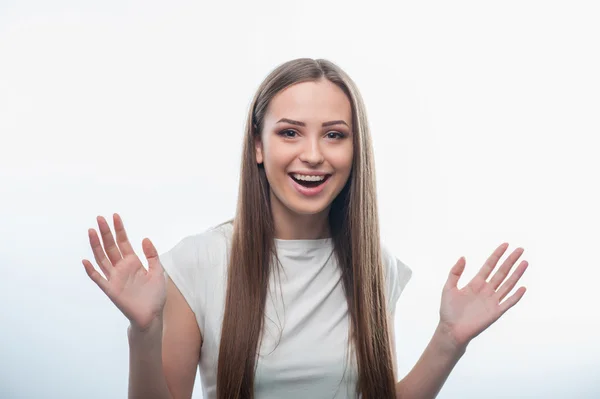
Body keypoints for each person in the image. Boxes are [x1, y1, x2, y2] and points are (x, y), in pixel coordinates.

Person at [82, 58, 529, 399]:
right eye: (290, 133)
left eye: (334, 135)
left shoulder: (374, 264)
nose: (313, 155)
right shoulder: (198, 262)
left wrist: (448, 341)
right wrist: (145, 330)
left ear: (356, 150)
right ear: (258, 145)